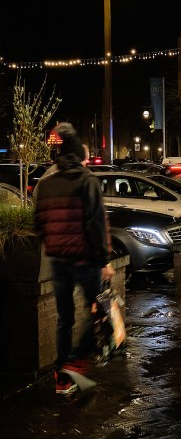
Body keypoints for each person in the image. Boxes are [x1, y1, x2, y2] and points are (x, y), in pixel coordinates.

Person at [34, 123, 114, 394]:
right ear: (79, 152)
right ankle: (75, 362)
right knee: (100, 308)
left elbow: (39, 224)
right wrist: (104, 261)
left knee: (64, 318)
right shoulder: (86, 180)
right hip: (84, 259)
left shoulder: (46, 184)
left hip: (58, 260)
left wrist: (54, 245)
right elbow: (96, 223)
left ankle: (62, 378)